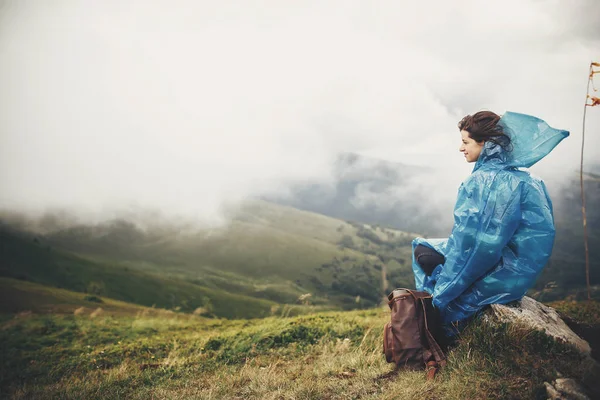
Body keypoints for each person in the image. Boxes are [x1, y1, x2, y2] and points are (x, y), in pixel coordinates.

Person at [411, 111, 569, 334]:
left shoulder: (484, 181)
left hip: (499, 274)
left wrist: (442, 296)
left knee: (424, 254)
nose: (461, 148)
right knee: (427, 247)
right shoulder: (527, 179)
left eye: (465, 142)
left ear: (486, 143)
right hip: (517, 272)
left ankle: (440, 330)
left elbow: (477, 250)